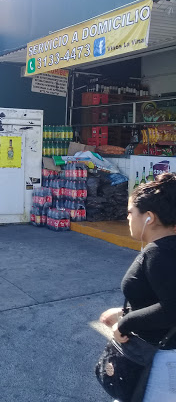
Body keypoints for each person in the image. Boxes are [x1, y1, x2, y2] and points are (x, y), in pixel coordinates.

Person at [99, 172, 176, 402]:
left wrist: (125, 323)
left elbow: (172, 308)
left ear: (149, 217)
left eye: (130, 213)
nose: (128, 218)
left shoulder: (160, 253)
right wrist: (126, 312)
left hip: (159, 360)